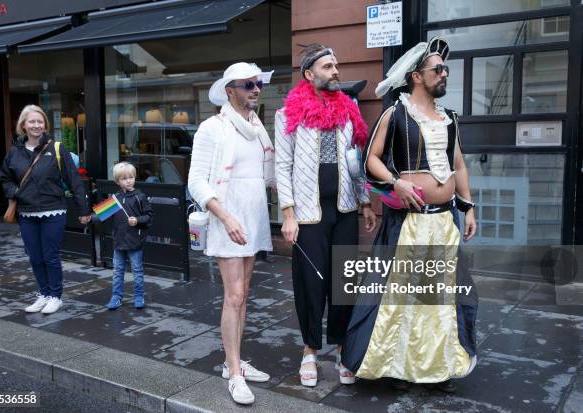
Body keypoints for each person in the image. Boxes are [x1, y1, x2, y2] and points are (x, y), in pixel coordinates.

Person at [341, 36, 478, 393]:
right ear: (417, 76)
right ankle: (399, 366)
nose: (444, 73)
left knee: (441, 298)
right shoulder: (395, 113)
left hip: (443, 221)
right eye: (438, 69)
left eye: (445, 68)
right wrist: (396, 182)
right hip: (409, 224)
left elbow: (458, 164)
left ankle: (441, 366)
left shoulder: (449, 118)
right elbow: (371, 157)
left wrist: (469, 206)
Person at [275, 44, 377, 387]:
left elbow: (356, 160)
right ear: (309, 74)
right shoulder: (288, 114)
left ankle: (342, 347)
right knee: (310, 285)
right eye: (328, 65)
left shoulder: (349, 110)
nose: (336, 71)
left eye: (336, 64)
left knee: (344, 283)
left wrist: (364, 202)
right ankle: (309, 351)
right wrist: (288, 214)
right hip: (308, 215)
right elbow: (282, 166)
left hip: (345, 210)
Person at [188, 62, 275, 405]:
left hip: (253, 218)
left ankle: (232, 361)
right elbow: (196, 181)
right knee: (234, 296)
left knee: (244, 294)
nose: (256, 89)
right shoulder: (212, 128)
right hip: (228, 218)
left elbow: (266, 177)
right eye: (248, 84)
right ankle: (235, 375)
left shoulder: (258, 130)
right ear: (230, 91)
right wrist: (225, 217)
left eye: (258, 84)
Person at [0, 105, 91, 314]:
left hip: (53, 211)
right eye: (32, 121)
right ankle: (44, 293)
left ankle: (55, 297)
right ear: (23, 125)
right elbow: (5, 178)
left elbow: (74, 180)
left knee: (50, 255)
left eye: (40, 121)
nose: (36, 125)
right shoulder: (15, 152)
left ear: (45, 125)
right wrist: (15, 193)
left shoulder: (57, 149)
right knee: (35, 256)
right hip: (26, 213)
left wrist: (83, 210)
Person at [99, 162, 153, 310]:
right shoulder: (115, 198)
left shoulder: (139, 197)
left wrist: (137, 220)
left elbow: (149, 216)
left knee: (137, 271)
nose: (129, 180)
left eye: (131, 177)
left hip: (135, 241)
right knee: (117, 272)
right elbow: (101, 214)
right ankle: (116, 297)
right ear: (118, 182)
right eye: (124, 178)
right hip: (118, 242)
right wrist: (87, 217)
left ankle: (139, 296)